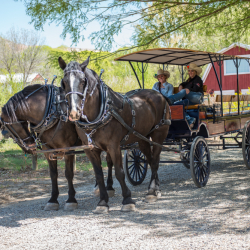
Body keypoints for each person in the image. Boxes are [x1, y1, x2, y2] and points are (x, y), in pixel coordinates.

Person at [166, 63, 203, 129]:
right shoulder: (189, 80)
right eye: (189, 71)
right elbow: (184, 83)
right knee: (175, 106)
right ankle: (190, 120)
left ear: (195, 72)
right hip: (189, 100)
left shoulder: (198, 79)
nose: (190, 72)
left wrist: (188, 89)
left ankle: (168, 100)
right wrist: (181, 85)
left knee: (184, 91)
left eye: (192, 71)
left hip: (198, 97)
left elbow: (195, 88)